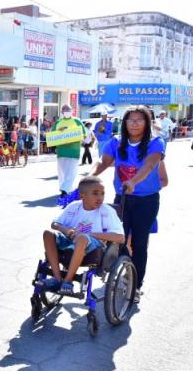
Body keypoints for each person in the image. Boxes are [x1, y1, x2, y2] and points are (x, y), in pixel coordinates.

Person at [91, 106, 165, 300]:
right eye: (130, 119)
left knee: (140, 243)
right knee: (119, 238)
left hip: (146, 201)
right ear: (124, 123)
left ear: (147, 123)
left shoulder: (155, 143)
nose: (134, 123)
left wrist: (133, 181)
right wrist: (89, 177)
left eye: (139, 120)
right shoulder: (116, 142)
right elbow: (103, 162)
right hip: (122, 199)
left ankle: (136, 284)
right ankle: (122, 271)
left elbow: (149, 165)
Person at [39, 176, 124, 295]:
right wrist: (66, 229)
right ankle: (57, 279)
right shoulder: (74, 206)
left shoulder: (107, 211)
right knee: (48, 234)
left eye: (102, 193)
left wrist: (89, 234)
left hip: (94, 244)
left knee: (82, 238)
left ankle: (68, 281)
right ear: (82, 195)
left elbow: (120, 237)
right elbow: (54, 223)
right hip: (71, 240)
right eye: (95, 193)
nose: (100, 197)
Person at [53, 104, 86, 197]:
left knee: (71, 171)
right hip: (61, 151)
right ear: (62, 112)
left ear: (72, 111)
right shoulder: (58, 123)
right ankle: (65, 188)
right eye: (65, 109)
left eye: (69, 109)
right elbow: (52, 135)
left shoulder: (77, 121)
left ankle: (65, 190)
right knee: (62, 172)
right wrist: (60, 132)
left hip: (73, 151)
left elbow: (84, 134)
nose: (67, 111)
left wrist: (75, 138)